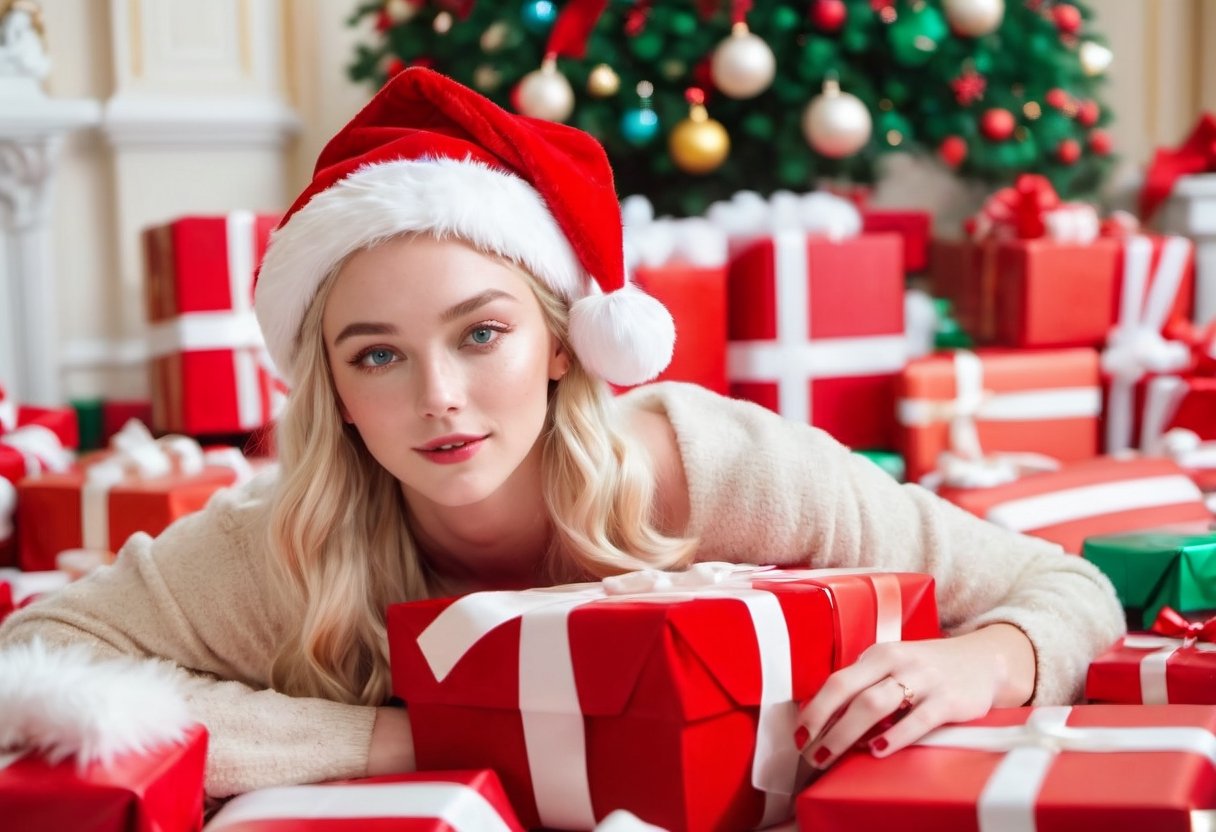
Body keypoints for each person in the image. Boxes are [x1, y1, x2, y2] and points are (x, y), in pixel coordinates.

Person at [0, 67, 1124, 802]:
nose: (437, 395)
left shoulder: (713, 466)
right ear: (335, 391)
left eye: (479, 334)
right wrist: (406, 742)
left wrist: (984, 659)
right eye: (376, 354)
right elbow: (30, 666)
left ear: (559, 343)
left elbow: (1059, 586)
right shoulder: (282, 544)